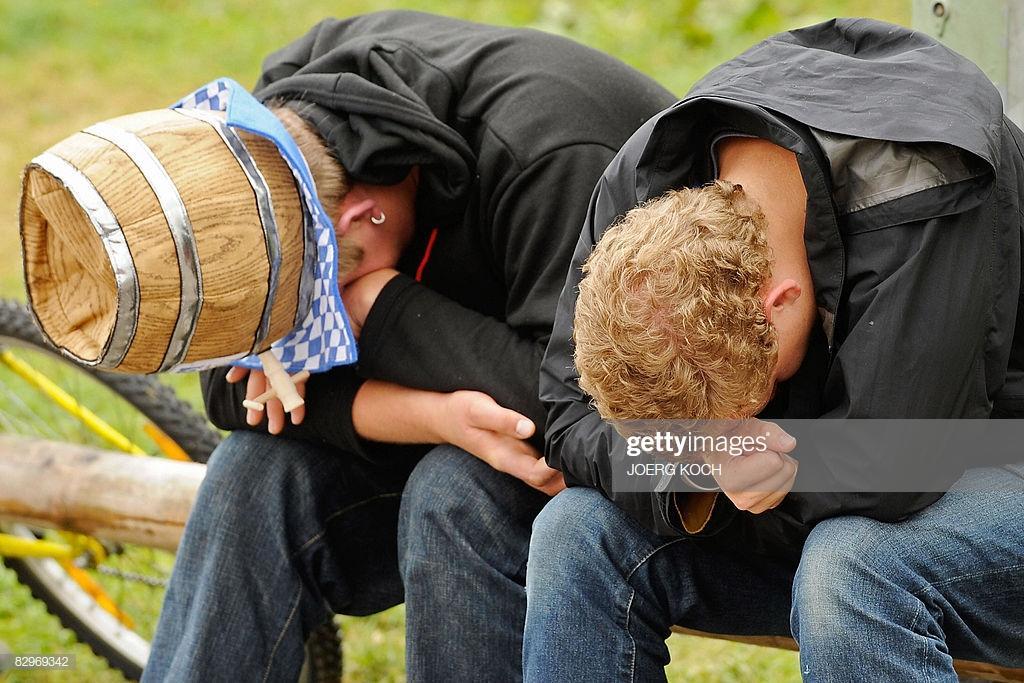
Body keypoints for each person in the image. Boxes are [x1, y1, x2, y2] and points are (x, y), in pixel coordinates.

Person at [142, 10, 673, 682]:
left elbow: (585, 409)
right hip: (468, 415)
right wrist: (432, 415)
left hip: (659, 449)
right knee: (252, 470)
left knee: (454, 492)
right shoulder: (281, 121)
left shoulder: (553, 155)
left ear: (362, 217)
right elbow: (235, 388)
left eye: (323, 305)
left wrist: (383, 309)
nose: (320, 328)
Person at [525, 18, 1024, 682]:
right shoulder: (645, 191)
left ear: (779, 301)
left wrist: (698, 468)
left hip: (989, 460)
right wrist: (703, 461)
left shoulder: (924, 180)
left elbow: (892, 464)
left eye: (737, 412)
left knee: (850, 565)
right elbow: (567, 415)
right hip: (837, 499)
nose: (727, 436)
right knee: (575, 532)